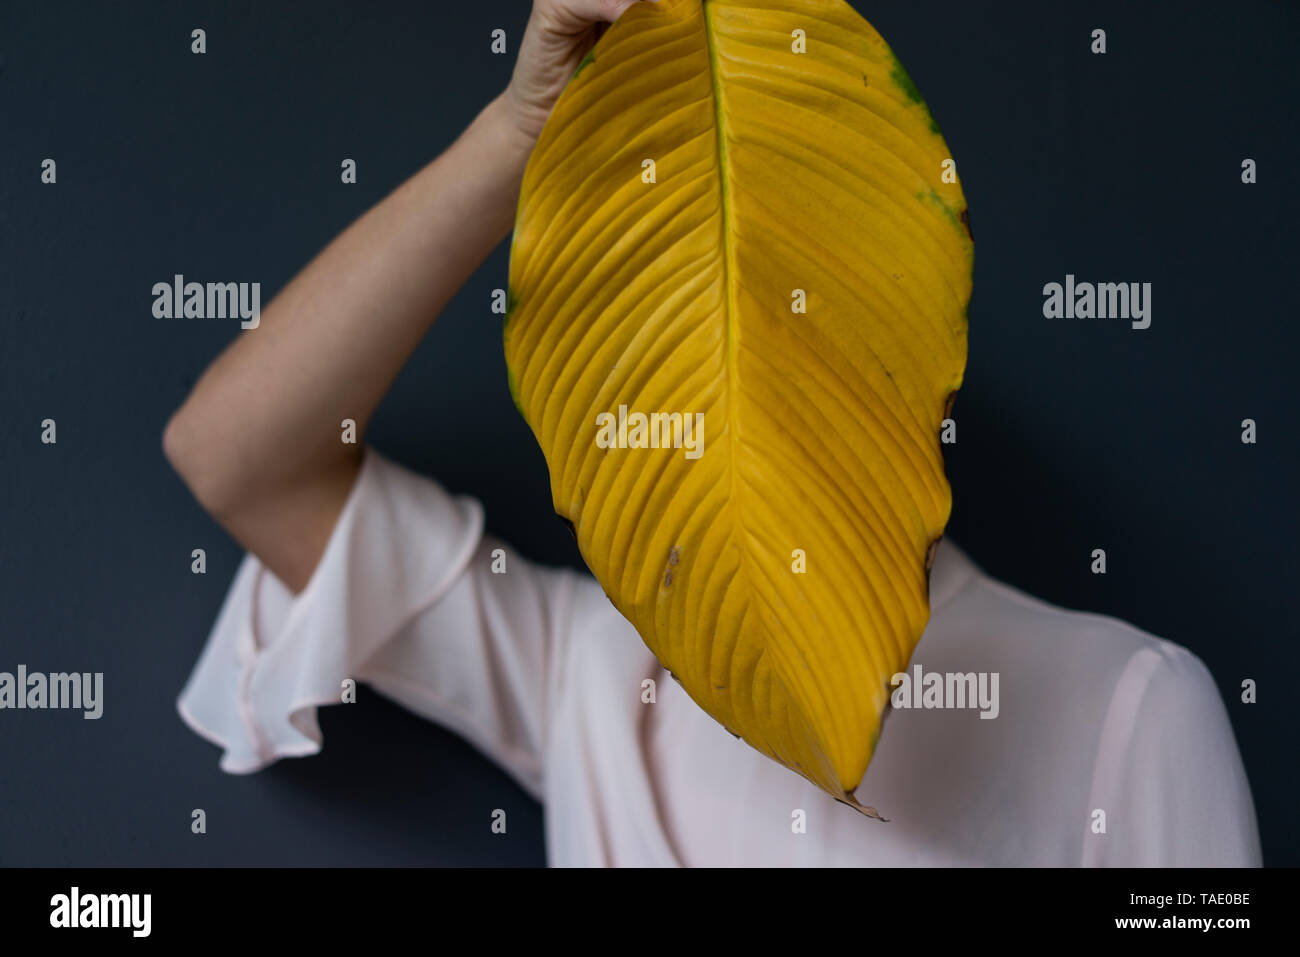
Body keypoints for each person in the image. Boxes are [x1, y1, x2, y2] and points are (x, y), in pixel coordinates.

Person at [162, 0, 1261, 867]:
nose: (728, 357)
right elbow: (234, 458)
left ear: (901, 333)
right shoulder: (592, 673)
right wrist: (518, 136)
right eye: (665, 323)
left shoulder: (1127, 709)